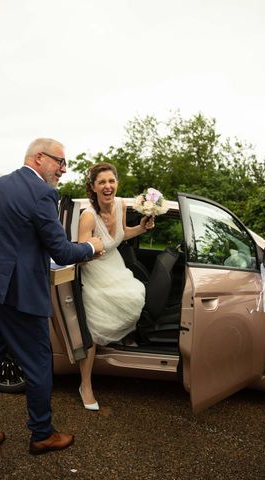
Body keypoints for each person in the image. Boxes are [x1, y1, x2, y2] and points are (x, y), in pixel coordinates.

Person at [0, 138, 104, 459]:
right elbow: (62, 250)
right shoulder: (43, 193)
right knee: (39, 363)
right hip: (19, 295)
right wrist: (92, 246)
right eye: (59, 162)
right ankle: (42, 435)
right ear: (39, 158)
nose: (63, 170)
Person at [77, 162, 155, 410]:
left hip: (115, 267)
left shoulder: (122, 205)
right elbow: (79, 253)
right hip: (95, 271)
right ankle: (85, 385)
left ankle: (122, 336)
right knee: (94, 328)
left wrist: (142, 228)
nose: (107, 186)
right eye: (102, 182)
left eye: (111, 181)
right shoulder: (88, 216)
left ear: (117, 184)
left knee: (133, 298)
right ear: (93, 187)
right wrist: (92, 250)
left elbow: (121, 235)